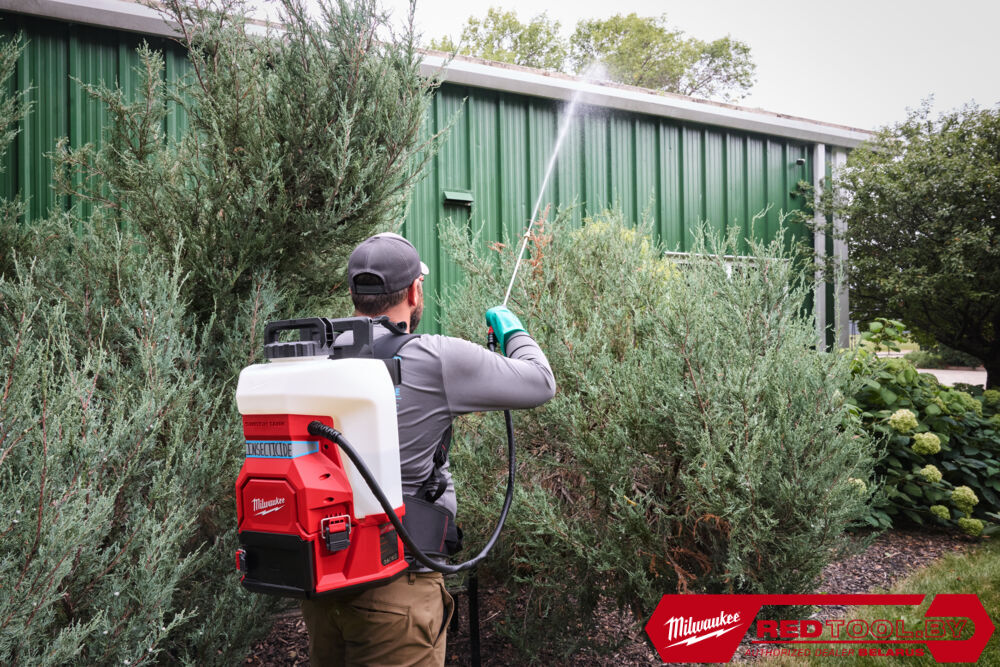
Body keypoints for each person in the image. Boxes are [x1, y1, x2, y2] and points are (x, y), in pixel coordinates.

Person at [301, 232, 556, 666]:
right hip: (397, 588)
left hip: (325, 585)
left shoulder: (314, 356)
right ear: (414, 292)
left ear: (355, 294)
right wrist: (513, 331)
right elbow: (540, 381)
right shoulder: (434, 358)